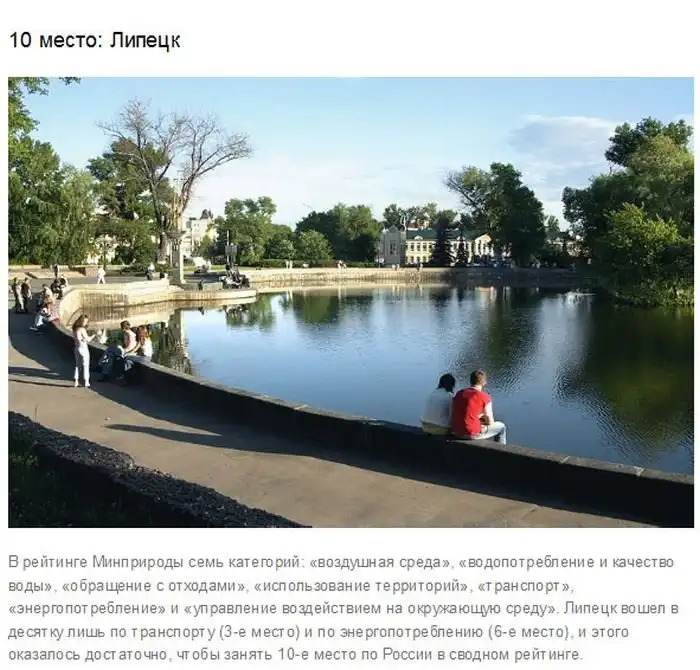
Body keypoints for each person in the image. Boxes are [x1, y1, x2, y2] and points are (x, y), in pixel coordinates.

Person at [451, 369, 507, 444]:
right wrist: (482, 420)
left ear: (470, 381)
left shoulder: (459, 393)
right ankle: (501, 449)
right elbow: (491, 421)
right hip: (472, 434)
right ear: (484, 383)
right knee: (502, 427)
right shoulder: (484, 396)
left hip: (456, 432)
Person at [72, 314, 94, 388]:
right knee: (86, 365)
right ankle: (86, 381)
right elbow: (88, 339)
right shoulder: (82, 329)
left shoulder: (75, 329)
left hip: (77, 348)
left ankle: (76, 380)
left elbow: (78, 339)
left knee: (77, 365)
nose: (85, 323)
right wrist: (93, 336)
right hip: (83, 348)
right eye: (85, 321)